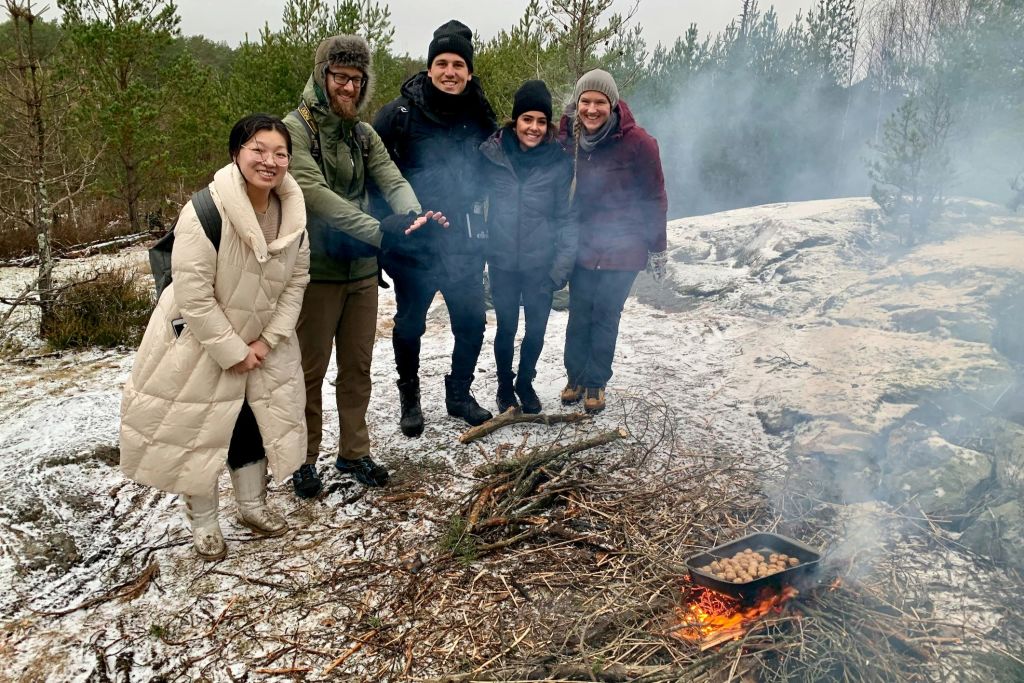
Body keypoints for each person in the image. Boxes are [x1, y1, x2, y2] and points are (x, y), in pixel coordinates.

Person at [120, 114, 311, 561]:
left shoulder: (294, 215)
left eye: (279, 153)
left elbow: (296, 283)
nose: (270, 161)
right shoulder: (205, 210)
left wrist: (266, 341)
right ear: (236, 153)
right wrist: (233, 350)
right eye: (258, 150)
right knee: (202, 434)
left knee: (252, 425)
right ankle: (204, 524)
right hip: (201, 344)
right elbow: (192, 295)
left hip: (264, 345)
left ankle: (251, 507)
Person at [285, 35, 448, 497]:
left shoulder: (361, 133)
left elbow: (391, 178)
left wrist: (414, 218)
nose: (350, 88)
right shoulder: (295, 131)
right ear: (322, 76)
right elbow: (316, 196)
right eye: (341, 77)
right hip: (315, 271)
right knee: (309, 371)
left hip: (359, 272)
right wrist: (381, 232)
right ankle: (303, 457)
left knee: (357, 367)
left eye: (358, 79)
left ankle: (353, 451)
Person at [374, 19, 498, 435]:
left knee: (472, 321)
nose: (450, 71)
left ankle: (459, 395)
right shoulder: (397, 115)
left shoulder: (479, 115)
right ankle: (410, 399)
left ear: (469, 72)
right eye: (442, 62)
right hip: (414, 243)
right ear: (429, 68)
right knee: (410, 324)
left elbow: (495, 172)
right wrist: (383, 233)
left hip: (462, 241)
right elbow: (371, 176)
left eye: (458, 64)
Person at [558, 69, 668, 414]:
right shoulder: (568, 139)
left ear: (613, 104)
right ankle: (574, 376)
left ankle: (595, 382)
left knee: (605, 313)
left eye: (599, 102)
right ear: (577, 104)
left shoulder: (639, 144)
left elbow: (655, 197)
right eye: (585, 101)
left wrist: (657, 247)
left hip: (624, 246)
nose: (592, 109)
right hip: (583, 244)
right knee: (579, 312)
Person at [479, 80, 577, 414]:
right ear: (515, 121)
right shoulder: (492, 154)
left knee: (536, 329)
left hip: (540, 263)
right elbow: (476, 204)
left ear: (548, 125)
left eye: (540, 121)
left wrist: (561, 265)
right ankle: (505, 386)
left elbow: (566, 217)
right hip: (503, 261)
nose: (533, 128)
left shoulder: (559, 163)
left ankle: (525, 381)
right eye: (527, 120)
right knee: (506, 327)